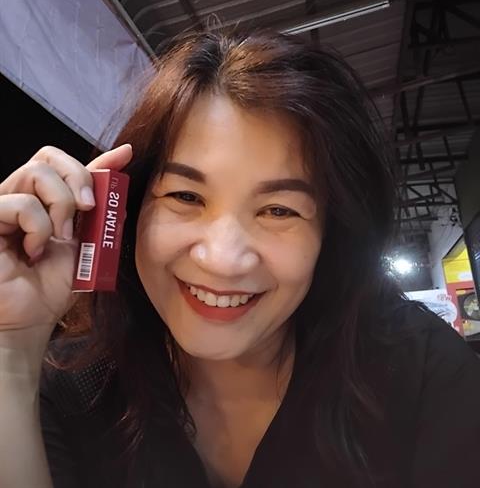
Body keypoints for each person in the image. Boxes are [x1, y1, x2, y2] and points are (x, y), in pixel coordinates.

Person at [0, 28, 479, 488]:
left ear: (331, 235)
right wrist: (10, 357)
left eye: (279, 210)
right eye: (186, 197)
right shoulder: (74, 389)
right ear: (130, 209)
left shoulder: (420, 376)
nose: (222, 259)